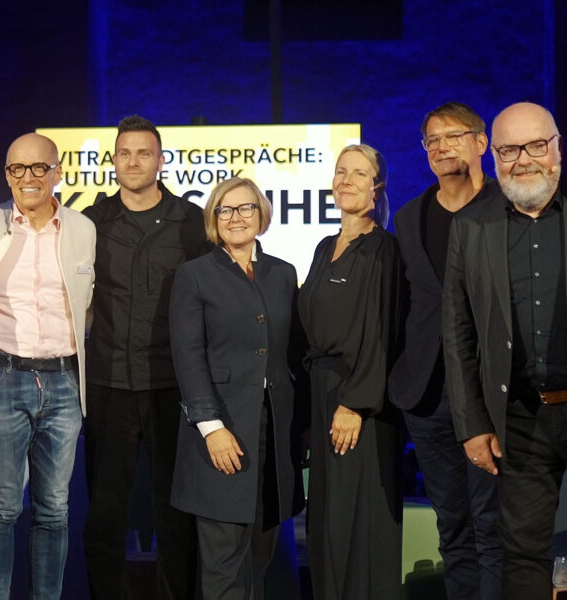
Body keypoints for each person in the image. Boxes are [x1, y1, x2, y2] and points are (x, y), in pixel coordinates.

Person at [442, 102, 567, 600]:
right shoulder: (471, 227)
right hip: (519, 417)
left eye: (535, 146)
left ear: (557, 148)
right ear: (495, 155)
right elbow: (458, 332)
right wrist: (473, 425)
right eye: (509, 149)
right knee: (522, 554)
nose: (523, 159)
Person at [0, 132, 96, 599]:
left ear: (57, 172)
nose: (28, 178)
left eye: (39, 168)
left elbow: (88, 304)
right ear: (6, 174)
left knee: (55, 508)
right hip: (1, 374)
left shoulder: (82, 228)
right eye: (18, 168)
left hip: (63, 381)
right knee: (0, 506)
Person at [81, 114, 205, 600]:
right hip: (108, 382)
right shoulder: (91, 223)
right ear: (113, 161)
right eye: (125, 153)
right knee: (105, 516)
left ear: (160, 160)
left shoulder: (192, 223)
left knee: (175, 513)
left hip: (171, 384)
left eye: (144, 153)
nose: (134, 162)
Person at [388, 103, 503, 600]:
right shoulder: (410, 216)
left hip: (489, 393)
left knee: (493, 527)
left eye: (452, 136)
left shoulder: (508, 206)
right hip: (428, 395)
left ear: (482, 143)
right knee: (452, 526)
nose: (440, 146)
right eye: (431, 140)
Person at [168, 177, 300, 599]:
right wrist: (212, 426)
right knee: (223, 565)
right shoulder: (194, 275)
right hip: (222, 433)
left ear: (261, 215)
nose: (236, 218)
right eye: (225, 210)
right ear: (213, 220)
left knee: (259, 561)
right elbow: (188, 358)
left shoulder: (283, 273)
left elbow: (293, 354)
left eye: (245, 208)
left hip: (273, 435)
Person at [301, 145, 403, 599]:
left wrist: (355, 403)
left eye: (358, 173)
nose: (346, 180)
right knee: (327, 522)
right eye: (340, 171)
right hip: (323, 395)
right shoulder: (325, 247)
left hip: (357, 401)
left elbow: (382, 332)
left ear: (376, 186)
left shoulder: (384, 248)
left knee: (359, 522)